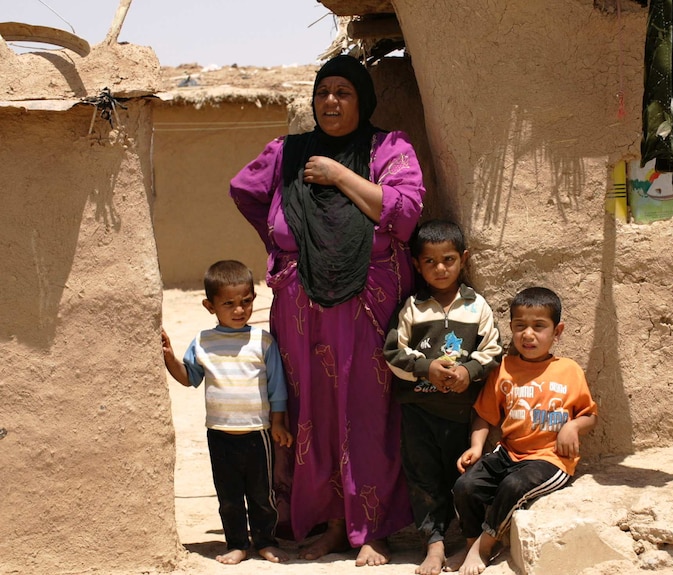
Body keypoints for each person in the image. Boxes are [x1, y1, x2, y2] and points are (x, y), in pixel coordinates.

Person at [229, 54, 426, 566]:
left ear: (362, 101)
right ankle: (329, 523)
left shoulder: (389, 148)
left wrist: (339, 174)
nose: (331, 102)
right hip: (301, 313)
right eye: (323, 93)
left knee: (365, 411)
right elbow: (246, 190)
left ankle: (372, 525)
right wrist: (281, 249)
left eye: (344, 92)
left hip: (367, 307)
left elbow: (402, 214)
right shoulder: (288, 153)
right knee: (309, 409)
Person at [383, 219, 502, 575]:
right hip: (418, 411)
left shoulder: (475, 305)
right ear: (417, 264)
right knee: (423, 480)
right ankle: (433, 545)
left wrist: (469, 372)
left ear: (463, 259)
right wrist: (426, 368)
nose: (440, 268)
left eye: (448, 259)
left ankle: (466, 543)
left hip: (460, 413)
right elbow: (393, 352)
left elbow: (493, 350)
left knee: (461, 481)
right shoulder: (413, 308)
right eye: (430, 261)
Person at [451, 287, 598, 575]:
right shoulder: (503, 367)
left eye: (539, 327)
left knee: (513, 487)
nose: (528, 335)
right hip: (508, 453)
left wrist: (573, 425)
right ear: (511, 329)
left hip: (551, 459)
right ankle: (471, 541)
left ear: (557, 331)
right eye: (520, 326)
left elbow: (590, 415)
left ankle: (485, 545)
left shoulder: (569, 370)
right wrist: (476, 447)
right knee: (464, 487)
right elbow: (484, 414)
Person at [160, 260, 293, 565]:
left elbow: (277, 388)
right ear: (210, 306)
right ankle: (237, 544)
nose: (239, 310)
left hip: (257, 434)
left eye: (246, 302)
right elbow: (189, 378)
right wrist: (169, 357)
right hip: (219, 434)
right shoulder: (203, 342)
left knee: (262, 496)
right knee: (229, 498)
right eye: (229, 304)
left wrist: (278, 423)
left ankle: (264, 541)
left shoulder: (262, 342)